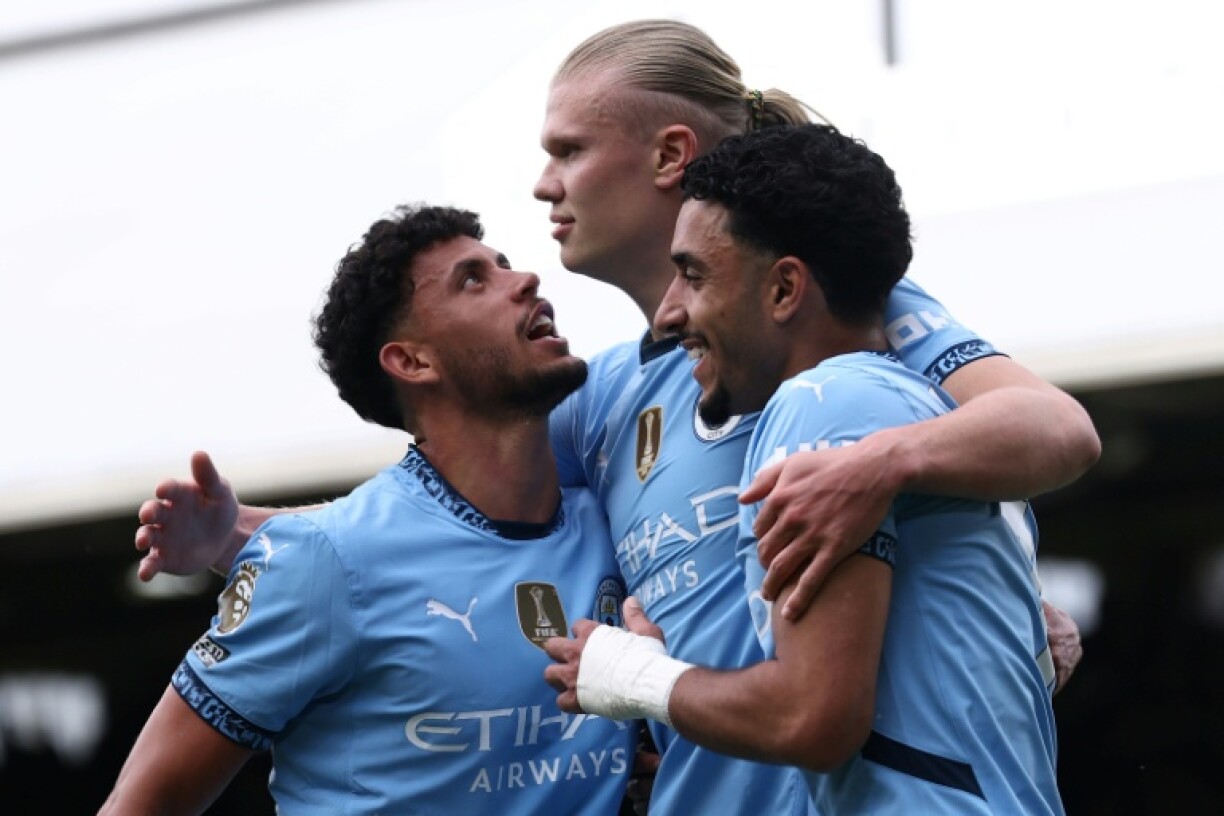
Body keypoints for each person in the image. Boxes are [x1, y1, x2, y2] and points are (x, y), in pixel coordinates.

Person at [131, 19, 1095, 815]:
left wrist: (905, 495)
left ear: (670, 153)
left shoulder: (829, 323)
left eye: (567, 152)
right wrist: (243, 537)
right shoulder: (604, 402)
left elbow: (1057, 432)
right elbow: (446, 525)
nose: (544, 188)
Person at [544, 122, 1065, 815]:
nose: (672, 312)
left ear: (786, 288)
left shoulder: (823, 402)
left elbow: (811, 719)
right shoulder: (919, 404)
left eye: (694, 275)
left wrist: (634, 677)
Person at [100, 205, 635, 815]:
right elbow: (142, 804)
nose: (525, 281)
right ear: (412, 362)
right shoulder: (320, 563)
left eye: (504, 266)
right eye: (473, 280)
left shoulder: (614, 518)